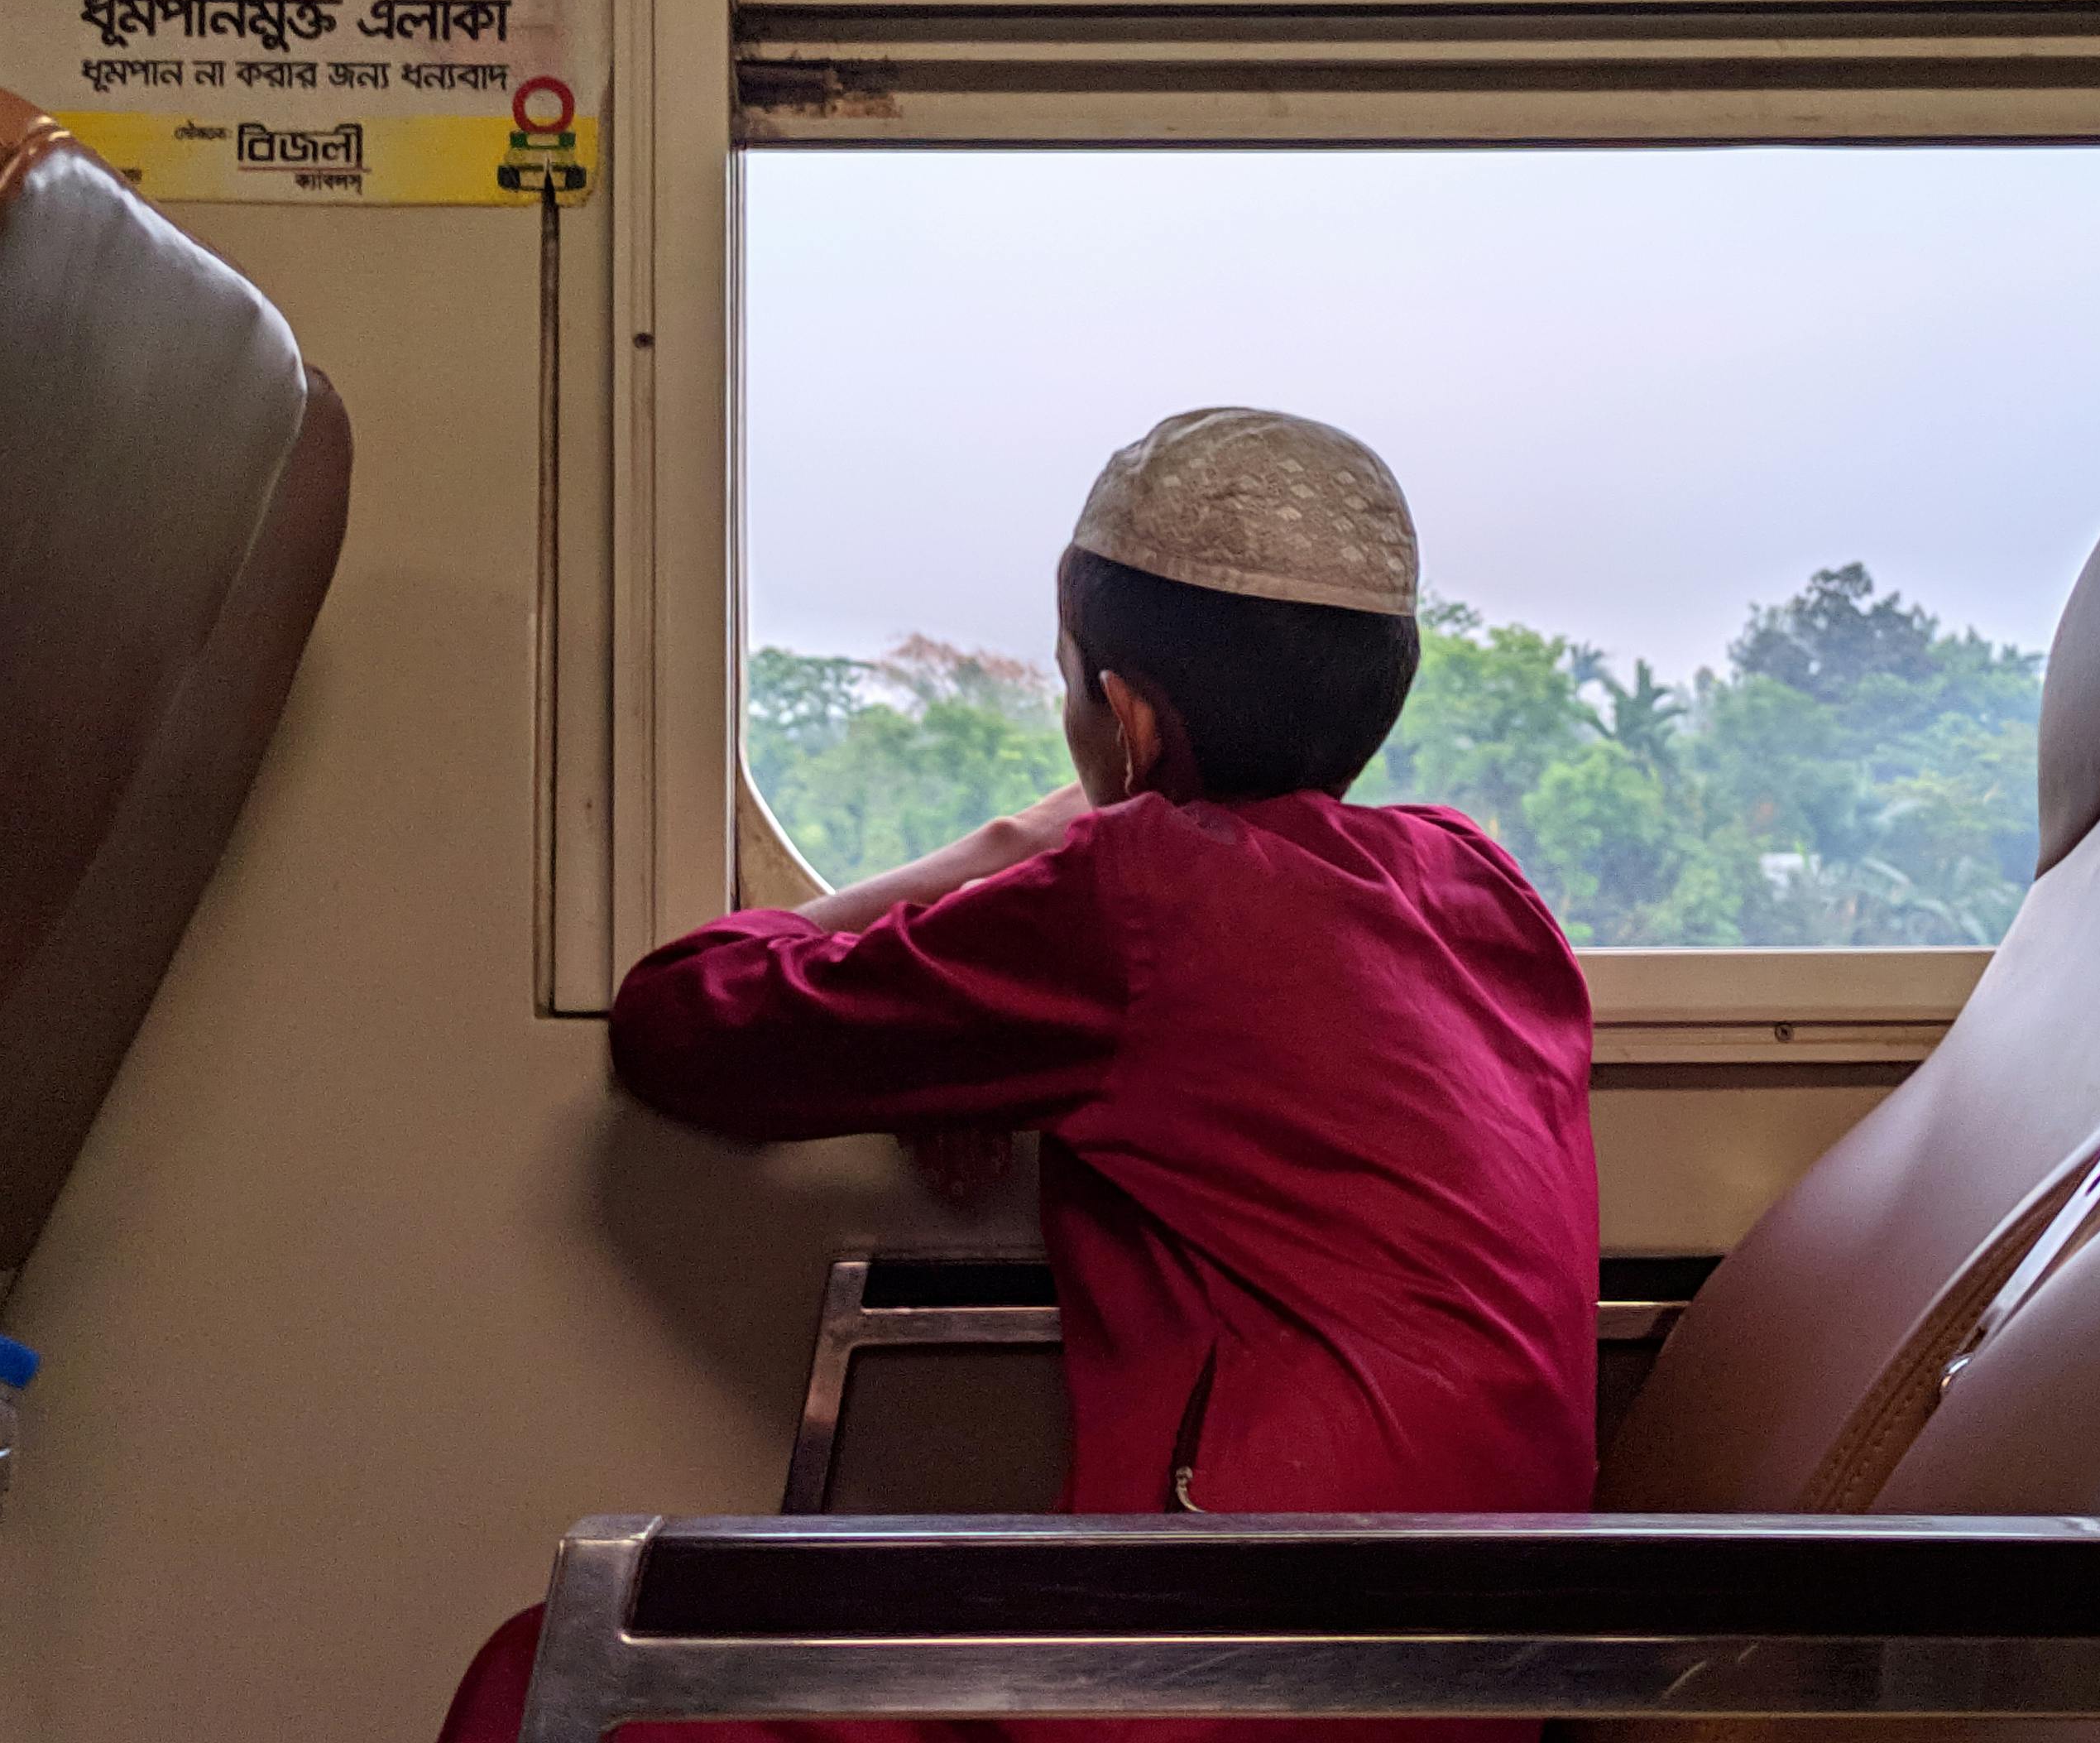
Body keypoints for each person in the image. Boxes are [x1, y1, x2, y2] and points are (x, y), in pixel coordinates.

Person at [437, 408, 1598, 1743]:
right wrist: (990, 1065)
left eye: (1067, 681)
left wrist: (986, 856)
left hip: (1237, 1657)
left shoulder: (1132, 894)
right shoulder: (1481, 882)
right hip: (1493, 1658)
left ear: (1127, 715)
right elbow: (1263, 1080)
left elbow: (682, 1021)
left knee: (558, 1675)